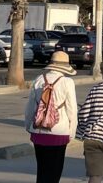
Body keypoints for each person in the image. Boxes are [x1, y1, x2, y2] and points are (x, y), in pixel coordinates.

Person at [25, 50, 78, 183]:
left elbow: (30, 107)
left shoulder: (39, 80)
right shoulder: (67, 82)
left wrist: (28, 126)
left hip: (38, 131)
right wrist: (71, 132)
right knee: (54, 171)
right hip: (59, 132)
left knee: (42, 170)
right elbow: (72, 110)